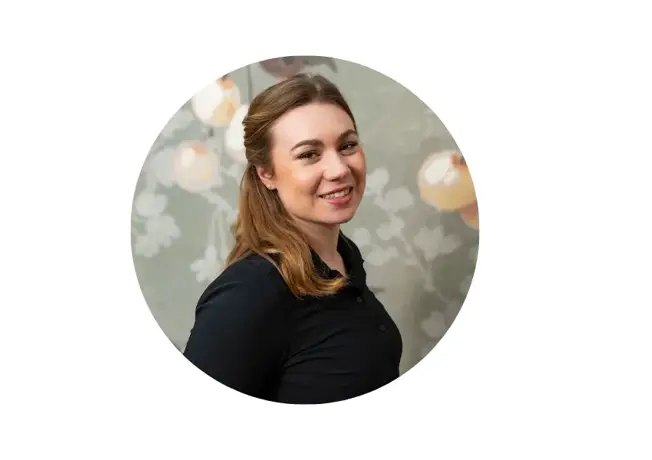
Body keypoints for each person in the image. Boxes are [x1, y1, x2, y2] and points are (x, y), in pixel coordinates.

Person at [183, 73, 403, 404]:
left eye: (347, 145)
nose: (339, 169)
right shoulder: (248, 294)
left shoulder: (344, 259)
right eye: (309, 154)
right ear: (266, 174)